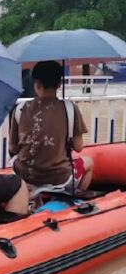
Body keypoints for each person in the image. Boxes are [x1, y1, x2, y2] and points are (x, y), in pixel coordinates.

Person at [9, 61, 94, 196]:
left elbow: (13, 148)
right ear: (59, 84)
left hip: (25, 176)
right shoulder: (70, 109)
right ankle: (74, 200)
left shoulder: (20, 109)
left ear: (36, 84)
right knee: (89, 162)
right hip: (59, 178)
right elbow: (78, 147)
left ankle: (34, 200)